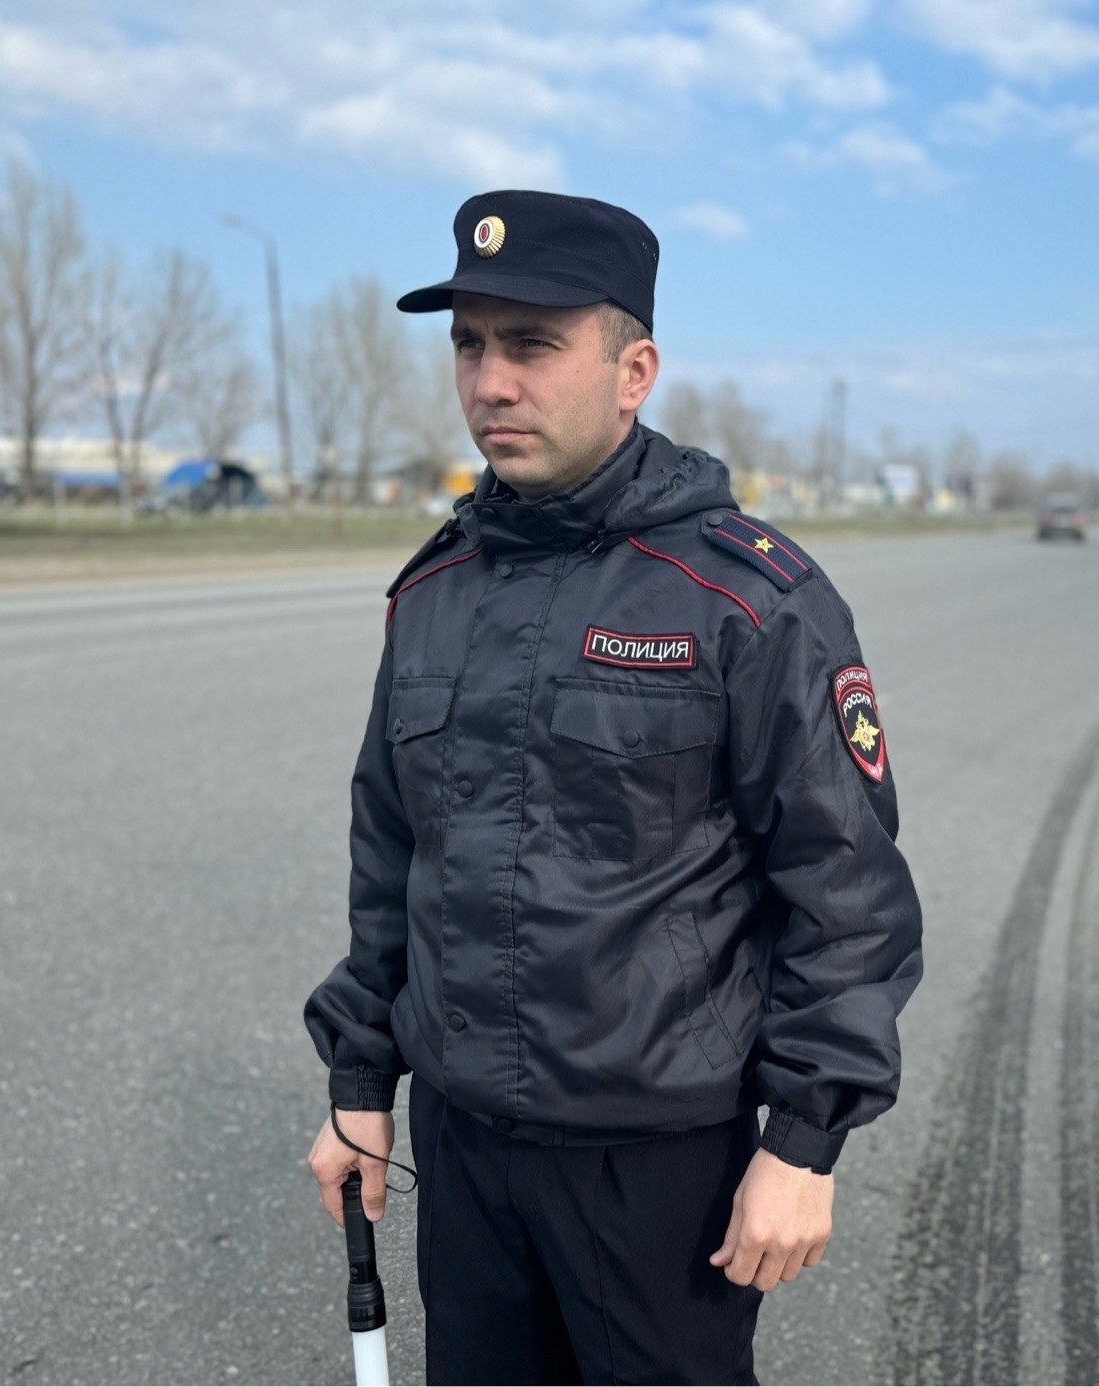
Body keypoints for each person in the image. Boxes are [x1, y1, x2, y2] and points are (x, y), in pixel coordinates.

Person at [301, 190, 924, 1385]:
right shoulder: (432, 591)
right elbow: (394, 860)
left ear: (634, 371)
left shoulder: (747, 597)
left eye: (533, 344)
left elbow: (844, 887)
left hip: (654, 1169)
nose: (492, 382)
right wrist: (360, 1080)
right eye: (470, 345)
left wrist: (805, 1139)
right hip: (463, 1151)